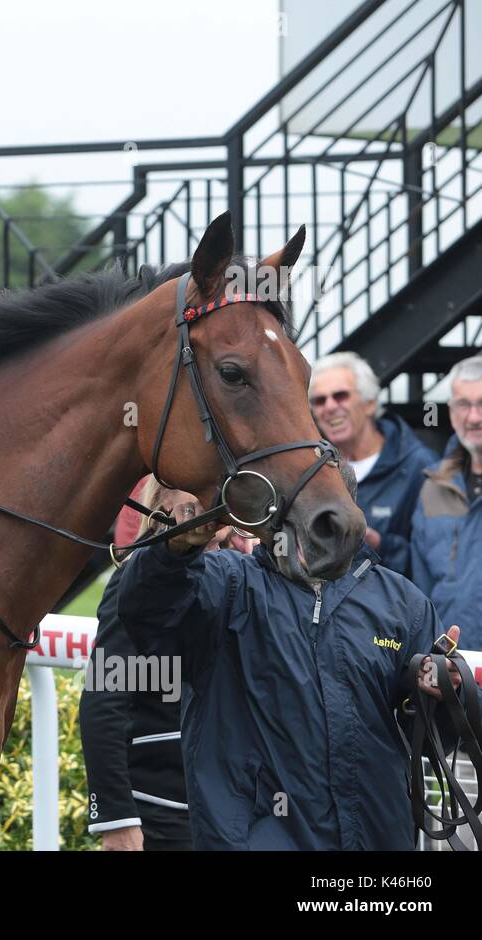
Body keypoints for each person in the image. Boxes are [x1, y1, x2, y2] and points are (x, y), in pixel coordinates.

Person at [118, 465, 464, 850]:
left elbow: (437, 740)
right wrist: (174, 549)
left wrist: (447, 696)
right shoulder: (229, 583)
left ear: (351, 511)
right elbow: (146, 611)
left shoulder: (404, 603)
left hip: (377, 841)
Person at [83, 477, 218, 851]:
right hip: (161, 812)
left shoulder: (247, 577)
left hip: (231, 810)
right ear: (161, 507)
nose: (208, 498)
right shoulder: (134, 581)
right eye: (194, 487)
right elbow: (105, 701)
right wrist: (117, 820)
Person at [309, 352, 437, 575]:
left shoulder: (420, 466)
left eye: (340, 396)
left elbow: (435, 561)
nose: (329, 407)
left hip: (396, 606)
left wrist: (379, 544)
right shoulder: (309, 468)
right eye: (320, 401)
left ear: (369, 404)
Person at [411, 354, 482, 648]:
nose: (473, 417)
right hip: (451, 672)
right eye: (463, 404)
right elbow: (422, 588)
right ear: (451, 412)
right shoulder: (433, 487)